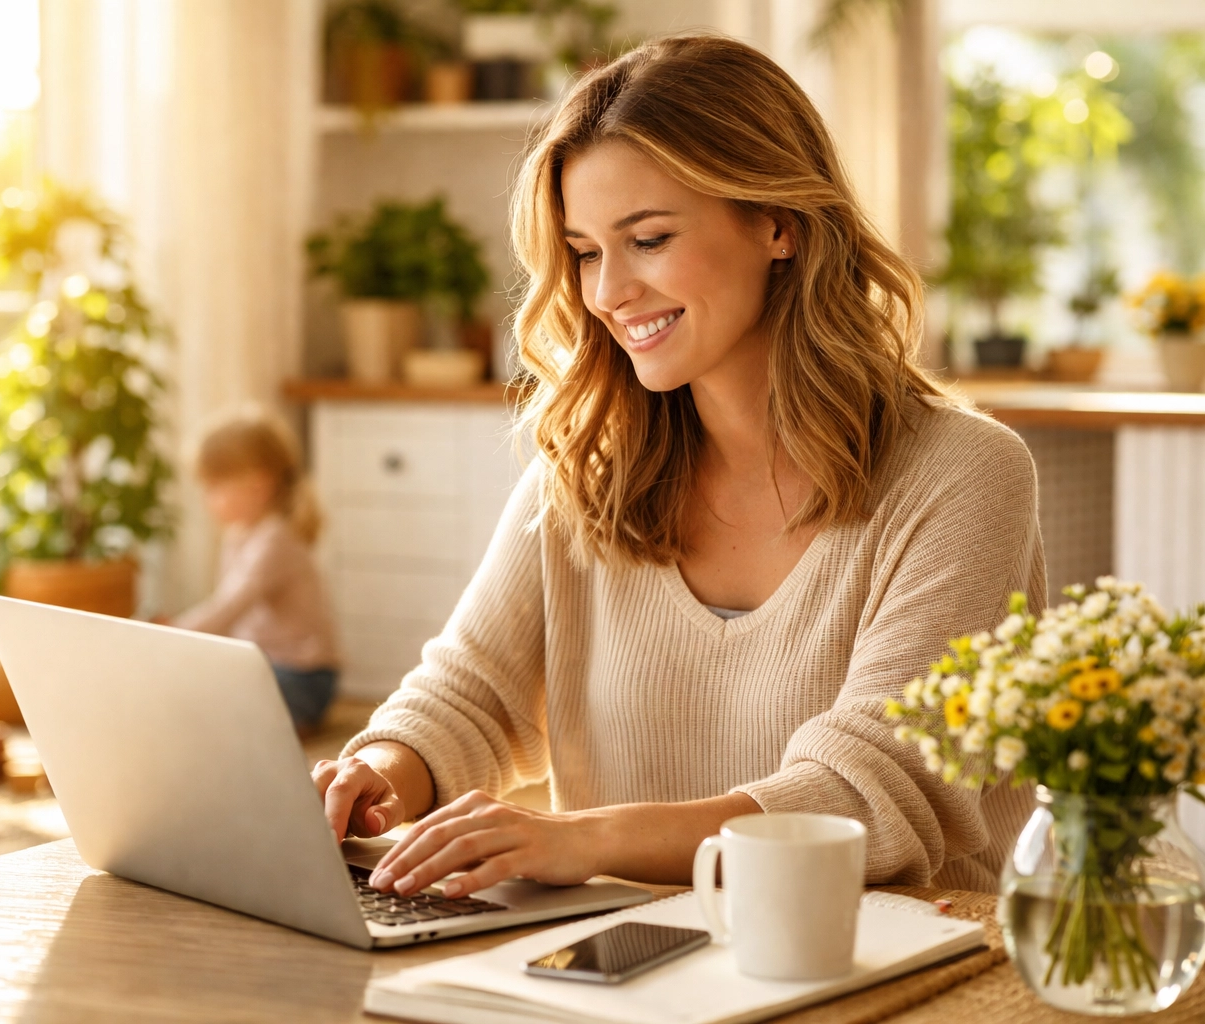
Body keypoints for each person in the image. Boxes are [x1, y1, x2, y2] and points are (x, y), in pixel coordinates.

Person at [312, 34, 1044, 900]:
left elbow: (874, 794)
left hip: (898, 970)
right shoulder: (588, 471)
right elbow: (470, 696)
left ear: (779, 225)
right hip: (630, 966)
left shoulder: (963, 476)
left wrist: (581, 840)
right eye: (584, 252)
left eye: (648, 239)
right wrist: (380, 775)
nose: (606, 291)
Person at [173, 407, 340, 734]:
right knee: (201, 690)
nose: (208, 499)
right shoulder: (238, 534)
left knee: (216, 710)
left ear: (258, 486)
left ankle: (291, 720)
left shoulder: (276, 538)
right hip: (262, 664)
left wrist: (173, 633)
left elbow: (227, 610)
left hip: (303, 676)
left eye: (215, 487)